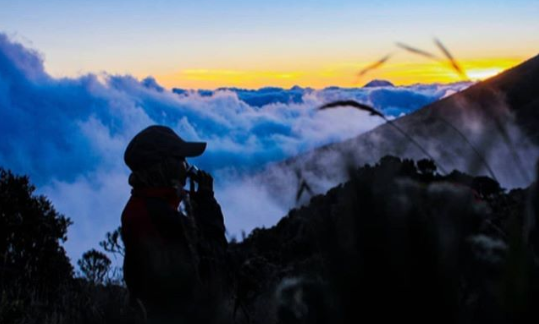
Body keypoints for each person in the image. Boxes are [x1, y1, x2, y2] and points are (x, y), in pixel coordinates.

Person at [121, 125, 228, 323]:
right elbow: (216, 265)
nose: (186, 166)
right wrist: (206, 202)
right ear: (165, 166)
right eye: (181, 159)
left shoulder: (139, 206)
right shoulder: (160, 217)